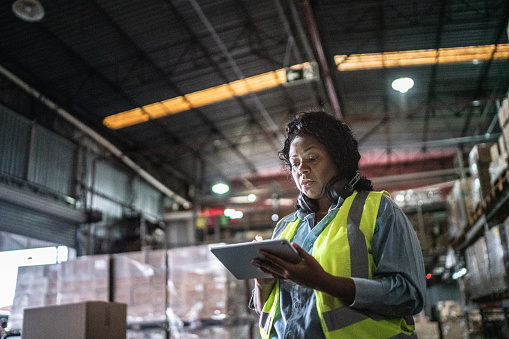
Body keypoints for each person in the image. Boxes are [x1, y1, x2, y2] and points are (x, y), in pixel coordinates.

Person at [250, 111, 426, 338]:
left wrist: (326, 283)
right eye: (295, 163)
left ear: (338, 159)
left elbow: (409, 295)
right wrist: (262, 284)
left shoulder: (378, 210)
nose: (302, 169)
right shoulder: (285, 227)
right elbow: (267, 310)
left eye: (312, 158)